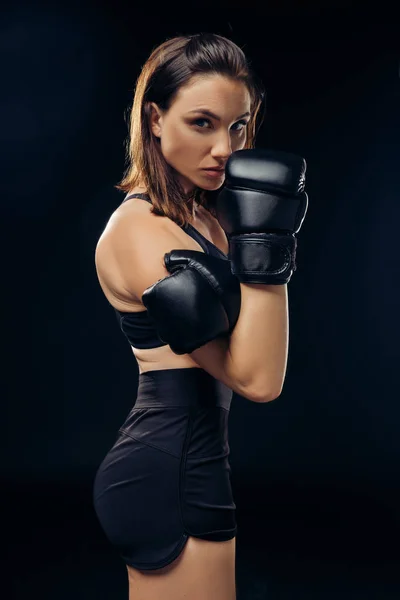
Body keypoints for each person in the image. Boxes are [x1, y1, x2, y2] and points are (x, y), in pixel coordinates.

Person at [92, 32, 307, 600]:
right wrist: (266, 243)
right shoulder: (139, 232)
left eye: (239, 126)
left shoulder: (204, 217)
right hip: (168, 469)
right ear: (156, 119)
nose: (226, 150)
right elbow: (258, 379)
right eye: (203, 123)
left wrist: (254, 236)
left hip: (195, 456)